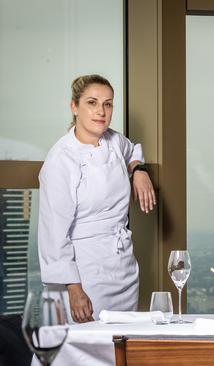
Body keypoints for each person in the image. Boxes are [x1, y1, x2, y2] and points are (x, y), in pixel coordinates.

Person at [38, 74, 156, 323]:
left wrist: (138, 170)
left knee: (121, 347)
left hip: (123, 267)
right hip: (85, 273)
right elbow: (54, 234)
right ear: (74, 106)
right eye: (92, 102)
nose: (101, 111)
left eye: (108, 103)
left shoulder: (113, 141)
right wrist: (74, 288)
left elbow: (132, 149)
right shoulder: (61, 160)